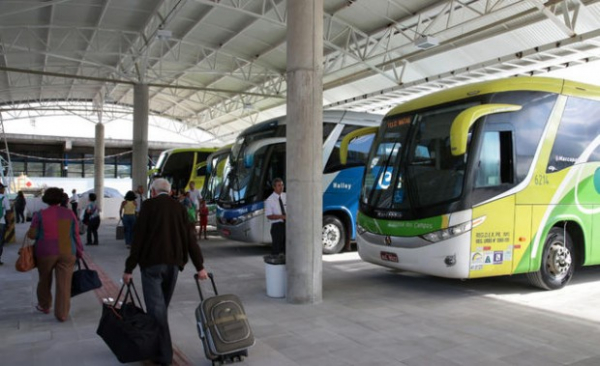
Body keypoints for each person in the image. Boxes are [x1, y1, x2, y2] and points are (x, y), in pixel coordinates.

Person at [122, 178, 208, 366]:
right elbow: (190, 238)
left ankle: (163, 355)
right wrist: (199, 266)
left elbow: (138, 238)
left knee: (157, 311)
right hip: (173, 266)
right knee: (159, 309)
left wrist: (129, 268)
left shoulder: (148, 207)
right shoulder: (179, 208)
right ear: (169, 192)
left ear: (153, 191)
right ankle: (156, 348)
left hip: (151, 265)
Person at [27, 187, 83, 322]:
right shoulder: (69, 214)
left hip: (45, 252)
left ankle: (45, 306)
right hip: (67, 251)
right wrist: (79, 251)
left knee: (44, 280)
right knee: (64, 284)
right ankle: (62, 314)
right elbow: (76, 234)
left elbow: (32, 234)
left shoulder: (39, 214)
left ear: (46, 199)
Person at [265, 178, 286, 255]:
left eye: (282, 185)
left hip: (287, 225)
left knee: (287, 247)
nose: (281, 187)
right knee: (276, 247)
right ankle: (275, 264)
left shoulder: (286, 196)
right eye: (279, 185)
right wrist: (281, 217)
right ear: (274, 187)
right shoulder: (270, 200)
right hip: (277, 226)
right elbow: (269, 216)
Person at [0, 184, 11, 265]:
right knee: (0, 241)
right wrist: (9, 223)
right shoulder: (4, 198)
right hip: (1, 222)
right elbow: (8, 211)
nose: (4, 190)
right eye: (3, 188)